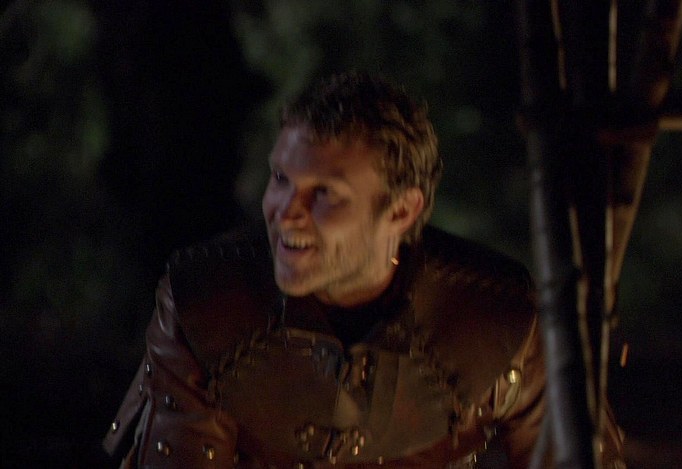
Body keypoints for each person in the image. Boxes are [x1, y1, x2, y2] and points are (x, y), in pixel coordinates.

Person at [103, 72, 545, 468]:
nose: (285, 212)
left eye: (324, 194)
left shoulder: (498, 322)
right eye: (281, 179)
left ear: (401, 210)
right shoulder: (207, 307)